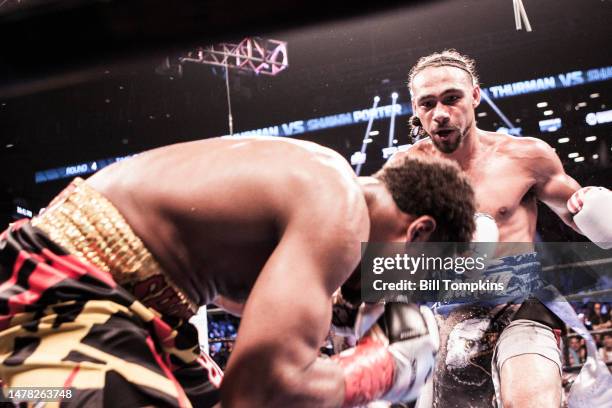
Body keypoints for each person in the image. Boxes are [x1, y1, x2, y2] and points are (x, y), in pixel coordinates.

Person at [0, 136, 476, 407]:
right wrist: (385, 369)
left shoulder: (321, 184)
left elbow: (234, 304)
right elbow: (261, 394)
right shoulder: (340, 215)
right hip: (59, 294)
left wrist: (339, 317)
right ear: (417, 233)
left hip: (122, 308)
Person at [389, 50, 612, 407]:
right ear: (415, 109)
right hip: (450, 316)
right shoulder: (403, 170)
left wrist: (591, 206)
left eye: (452, 98)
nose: (441, 113)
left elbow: (582, 217)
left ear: (475, 95)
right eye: (427, 104)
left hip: (521, 306)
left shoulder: (525, 157)